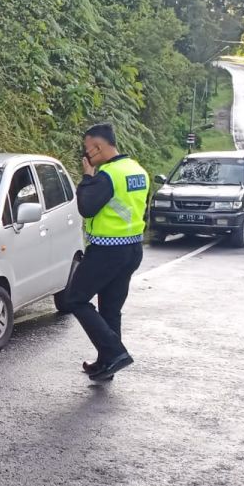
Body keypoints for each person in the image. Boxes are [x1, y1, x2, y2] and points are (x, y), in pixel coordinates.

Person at [64, 123, 148, 381]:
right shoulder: (137, 170)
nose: (86, 155)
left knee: (75, 299)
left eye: (87, 150)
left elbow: (87, 207)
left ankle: (114, 352)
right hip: (133, 248)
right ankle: (107, 363)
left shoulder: (107, 175)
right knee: (110, 309)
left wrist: (87, 177)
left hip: (107, 250)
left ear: (98, 147)